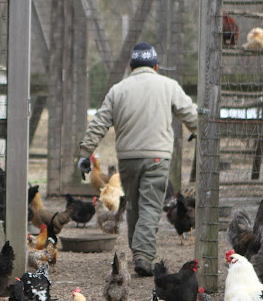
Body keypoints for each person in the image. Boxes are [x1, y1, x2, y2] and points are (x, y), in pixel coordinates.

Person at [77, 42, 198, 277]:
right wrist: (197, 129)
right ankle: (143, 255)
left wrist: (85, 153)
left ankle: (137, 253)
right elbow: (191, 113)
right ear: (156, 66)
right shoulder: (168, 85)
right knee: (151, 204)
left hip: (128, 158)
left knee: (133, 203)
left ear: (131, 67)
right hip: (157, 157)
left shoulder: (118, 90)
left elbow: (99, 123)